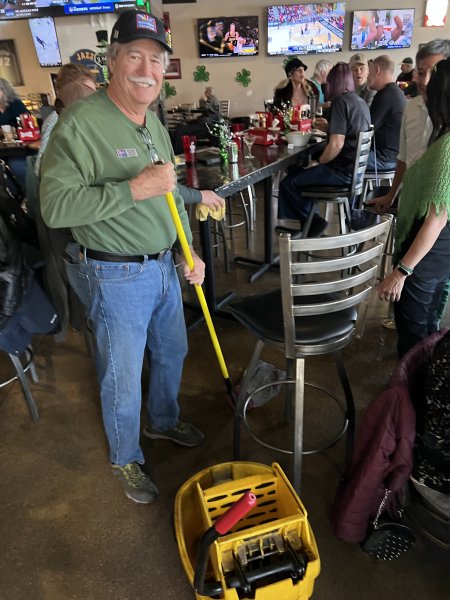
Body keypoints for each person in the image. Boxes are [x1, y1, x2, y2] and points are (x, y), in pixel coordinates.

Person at [40, 10, 207, 505]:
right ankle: (125, 457)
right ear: (112, 61)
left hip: (163, 265)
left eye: (156, 60)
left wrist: (188, 249)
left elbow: (168, 192)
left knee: (173, 352)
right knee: (123, 376)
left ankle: (163, 422)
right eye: (134, 56)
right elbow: (55, 208)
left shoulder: (153, 120)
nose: (146, 70)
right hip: (114, 272)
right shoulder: (78, 124)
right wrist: (133, 189)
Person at [377, 57, 450, 358]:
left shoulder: (446, 148)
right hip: (437, 255)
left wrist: (401, 272)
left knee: (414, 334)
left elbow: (436, 219)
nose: (424, 85)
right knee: (426, 329)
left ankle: (412, 384)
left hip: (426, 257)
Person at [277, 62, 371, 237]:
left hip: (340, 173)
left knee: (289, 182)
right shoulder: (359, 102)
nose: (326, 87)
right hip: (355, 172)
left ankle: (313, 222)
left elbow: (336, 145)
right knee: (297, 171)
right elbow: (349, 132)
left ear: (334, 83)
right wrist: (329, 127)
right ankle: (309, 223)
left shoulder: (340, 103)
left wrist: (318, 162)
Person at [35, 63, 97, 177]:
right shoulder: (55, 121)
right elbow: (41, 169)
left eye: (93, 92)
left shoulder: (89, 117)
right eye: (85, 92)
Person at [366, 54, 406, 171]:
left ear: (377, 71)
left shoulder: (385, 95)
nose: (367, 76)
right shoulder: (395, 92)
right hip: (393, 157)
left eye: (369, 72)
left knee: (338, 155)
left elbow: (367, 129)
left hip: (382, 158)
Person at [0, 78, 30, 192]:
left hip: (20, 147)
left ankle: (29, 193)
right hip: (4, 148)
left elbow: (26, 124)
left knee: (16, 165)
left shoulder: (15, 103)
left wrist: (10, 130)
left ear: (5, 91)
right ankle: (15, 193)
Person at [172, 86, 220, 154]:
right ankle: (180, 152)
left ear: (208, 93)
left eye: (206, 92)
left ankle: (178, 153)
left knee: (180, 130)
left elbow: (205, 107)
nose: (205, 93)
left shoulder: (212, 100)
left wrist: (201, 100)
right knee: (182, 127)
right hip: (208, 123)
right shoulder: (213, 100)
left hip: (207, 124)